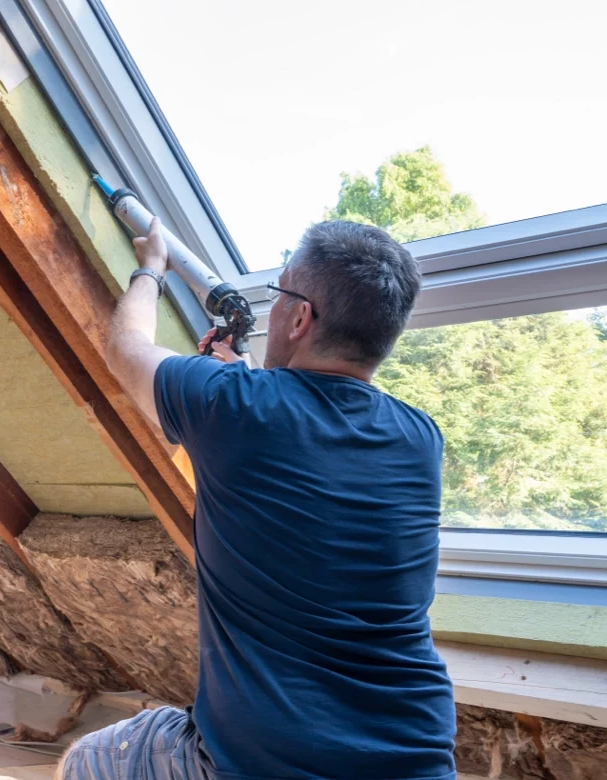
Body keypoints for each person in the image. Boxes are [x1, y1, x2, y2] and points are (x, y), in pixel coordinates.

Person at [58, 218, 456, 779]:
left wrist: (150, 268)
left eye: (280, 295)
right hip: (413, 756)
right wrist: (246, 381)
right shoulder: (421, 438)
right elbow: (312, 444)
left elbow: (126, 349)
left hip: (262, 761)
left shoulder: (234, 407)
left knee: (86, 761)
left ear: (300, 317)